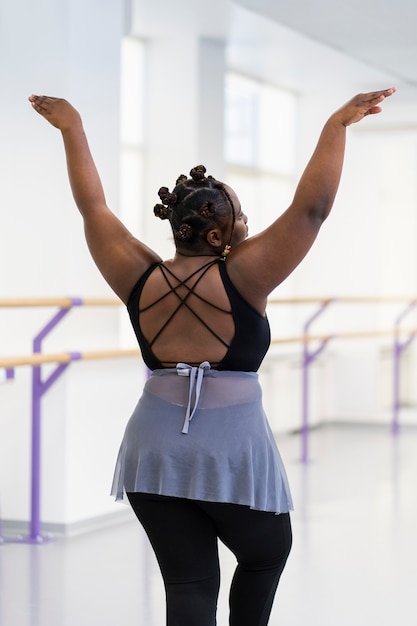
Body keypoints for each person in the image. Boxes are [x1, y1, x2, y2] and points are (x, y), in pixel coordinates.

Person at [29, 86, 395, 626]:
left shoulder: (138, 274)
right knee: (268, 551)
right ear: (219, 233)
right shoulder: (244, 275)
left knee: (190, 582)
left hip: (151, 449)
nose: (250, 225)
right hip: (229, 448)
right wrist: (336, 126)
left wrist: (73, 128)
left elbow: (93, 207)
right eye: (243, 218)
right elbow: (312, 210)